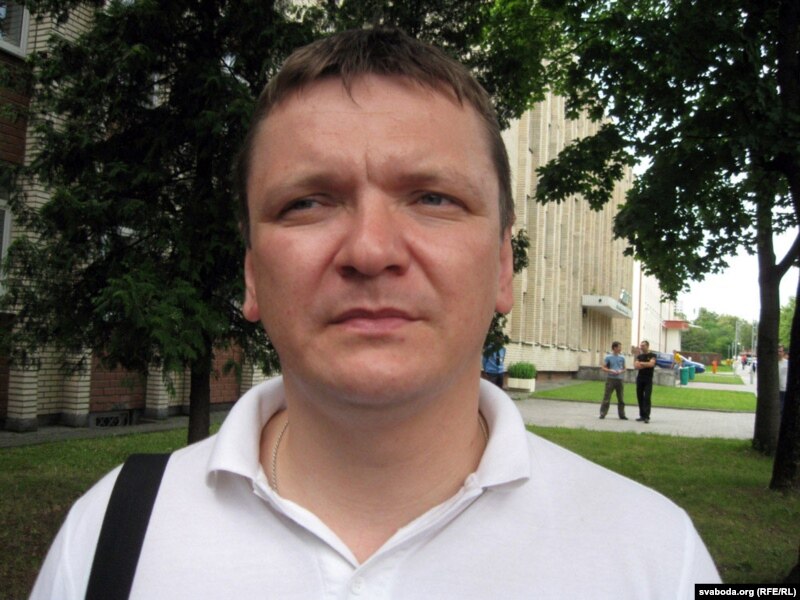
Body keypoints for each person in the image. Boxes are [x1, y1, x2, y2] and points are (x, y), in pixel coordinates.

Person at [31, 28, 719, 598]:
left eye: (433, 198)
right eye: (307, 202)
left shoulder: (656, 556)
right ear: (252, 274)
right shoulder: (111, 536)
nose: (370, 250)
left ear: (501, 266)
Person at [599, 341, 628, 420]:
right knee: (607, 397)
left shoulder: (622, 357)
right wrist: (610, 370)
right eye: (619, 347)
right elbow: (603, 367)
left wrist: (620, 371)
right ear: (614, 348)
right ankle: (603, 413)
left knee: (621, 398)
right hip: (611, 379)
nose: (620, 348)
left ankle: (622, 415)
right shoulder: (608, 357)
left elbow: (625, 368)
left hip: (620, 379)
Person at [634, 340, 657, 423]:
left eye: (643, 346)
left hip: (648, 379)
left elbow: (652, 364)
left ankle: (647, 416)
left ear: (647, 346)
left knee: (647, 397)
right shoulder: (639, 356)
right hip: (640, 379)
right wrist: (646, 364)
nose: (641, 347)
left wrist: (641, 364)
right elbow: (636, 366)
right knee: (640, 397)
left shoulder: (652, 355)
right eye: (641, 345)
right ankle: (642, 415)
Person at [778, 345, 788, 416]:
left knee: (782, 408)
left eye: (780, 351)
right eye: (778, 351)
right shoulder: (773, 363)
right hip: (775, 389)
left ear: (783, 352)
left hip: (783, 389)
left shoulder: (787, 363)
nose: (779, 353)